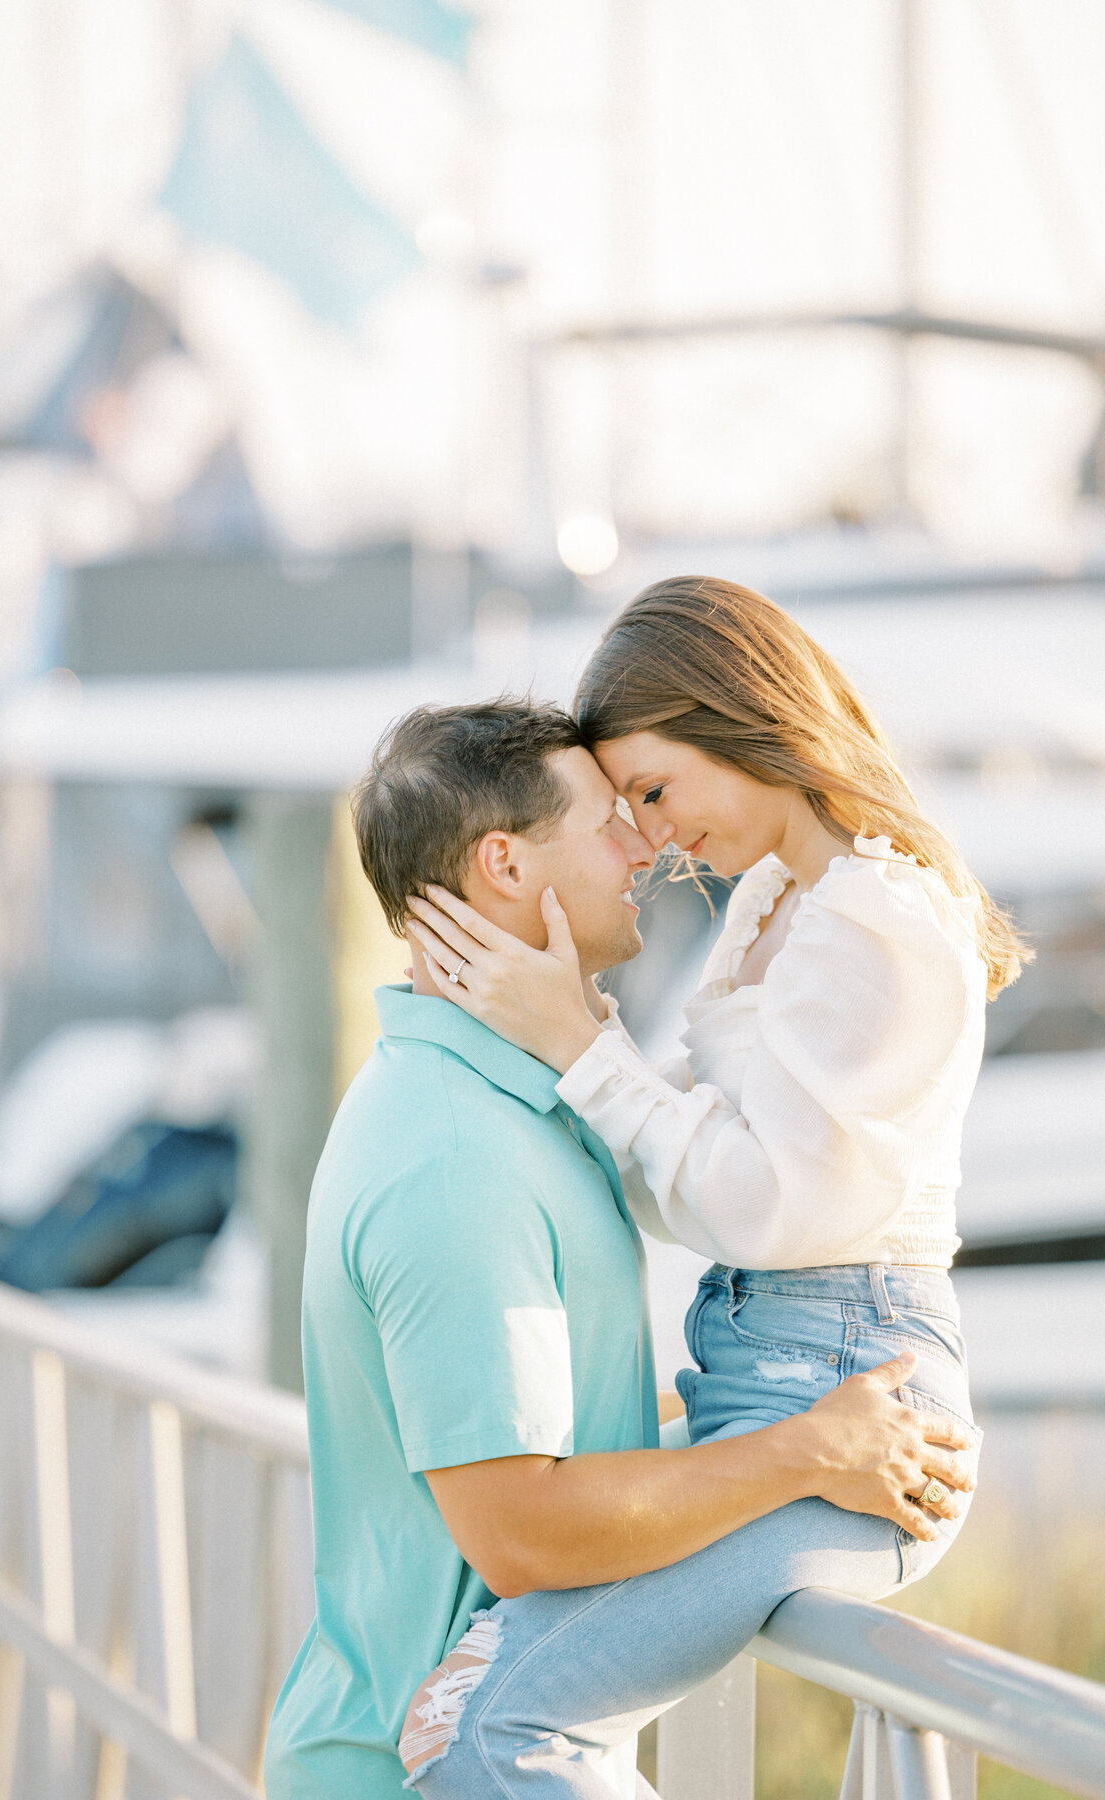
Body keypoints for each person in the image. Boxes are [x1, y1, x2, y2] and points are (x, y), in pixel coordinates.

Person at [261, 698, 975, 1800]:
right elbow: (524, 1533)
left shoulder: (509, 1105)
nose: (648, 847)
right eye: (609, 821)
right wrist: (811, 1450)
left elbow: (561, 1431)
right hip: (416, 1770)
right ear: (503, 863)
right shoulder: (456, 1156)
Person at [400, 579, 1020, 1797]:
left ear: (738, 717)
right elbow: (682, 1162)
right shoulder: (783, 902)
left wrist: (580, 1042)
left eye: (653, 789)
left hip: (857, 1404)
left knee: (487, 1728)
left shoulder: (874, 919)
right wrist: (553, 1025)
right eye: (628, 804)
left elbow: (761, 1204)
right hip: (765, 1391)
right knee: (459, 1694)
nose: (651, 834)